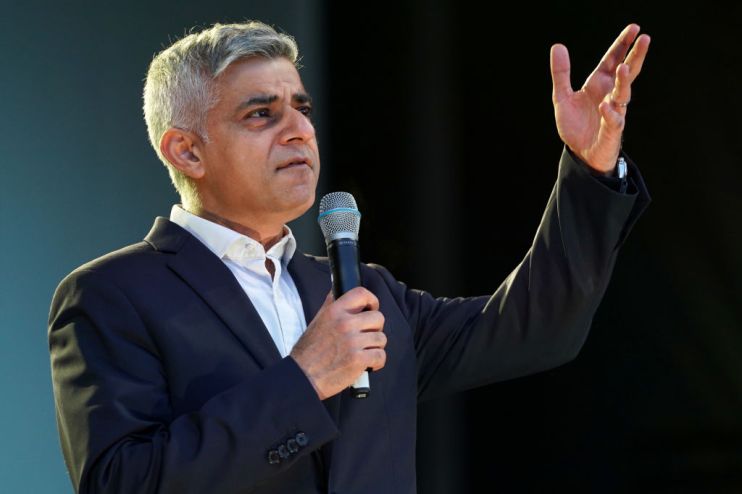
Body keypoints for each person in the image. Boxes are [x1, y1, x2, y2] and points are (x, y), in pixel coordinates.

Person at [48, 20, 651, 494]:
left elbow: (537, 328)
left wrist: (589, 169)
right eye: (261, 113)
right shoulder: (113, 295)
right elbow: (121, 482)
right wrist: (305, 379)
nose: (299, 130)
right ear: (186, 151)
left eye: (302, 108)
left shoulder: (365, 292)